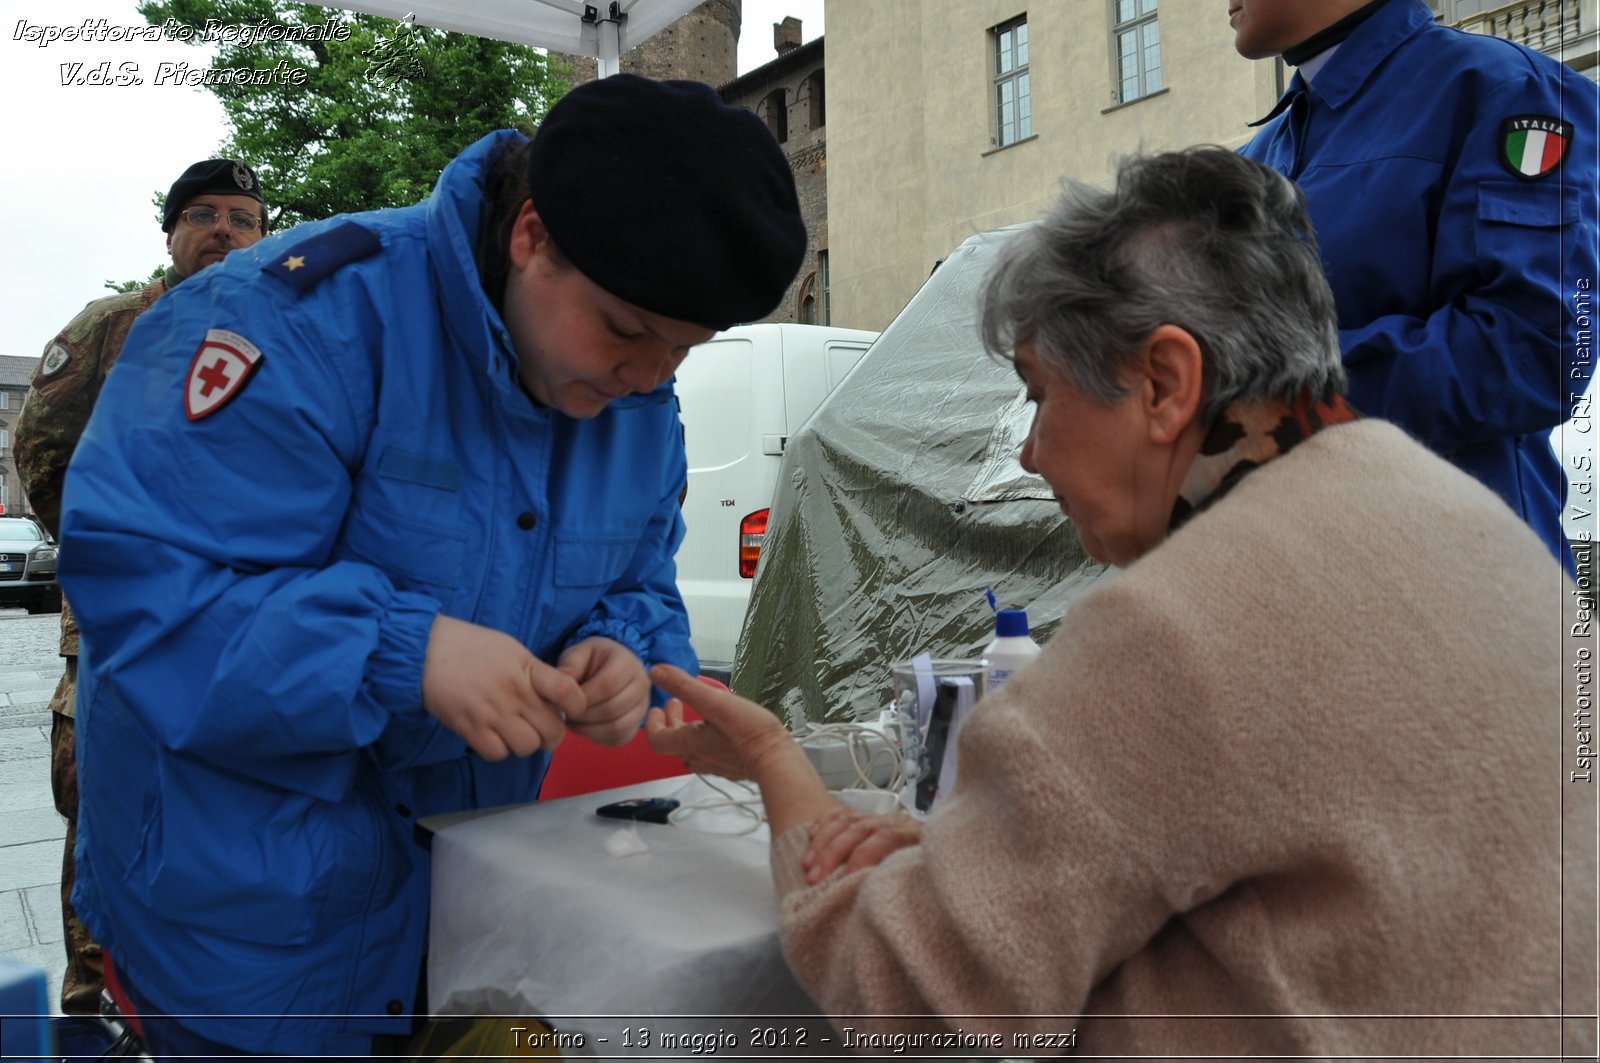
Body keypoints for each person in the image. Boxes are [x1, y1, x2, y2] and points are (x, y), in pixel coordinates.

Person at [645, 147, 1591, 1057]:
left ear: (1165, 384)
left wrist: (776, 762)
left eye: (1037, 395)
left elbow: (902, 992)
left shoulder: (1182, 622)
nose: (1027, 452)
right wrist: (970, 852)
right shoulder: (1476, 525)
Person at [56, 75, 804, 1058]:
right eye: (626, 332)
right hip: (249, 923)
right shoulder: (289, 320)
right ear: (530, 235)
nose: (648, 378)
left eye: (686, 350)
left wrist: (623, 650)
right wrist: (398, 652)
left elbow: (635, 581)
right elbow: (153, 598)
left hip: (470, 893)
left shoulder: (630, 394)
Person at [13, 157, 268, 1017]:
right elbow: (41, 449)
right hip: (120, 633)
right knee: (103, 813)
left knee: (219, 816)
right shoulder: (117, 325)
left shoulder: (289, 326)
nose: (223, 231)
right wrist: (112, 557)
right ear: (170, 234)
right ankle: (93, 1002)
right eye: (203, 214)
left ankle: (194, 998)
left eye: (242, 217)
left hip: (242, 629)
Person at [1232, 0, 1598, 572]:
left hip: (1465, 586)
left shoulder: (1510, 94)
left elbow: (1536, 352)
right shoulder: (1253, 161)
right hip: (1297, 578)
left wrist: (1264, 396)